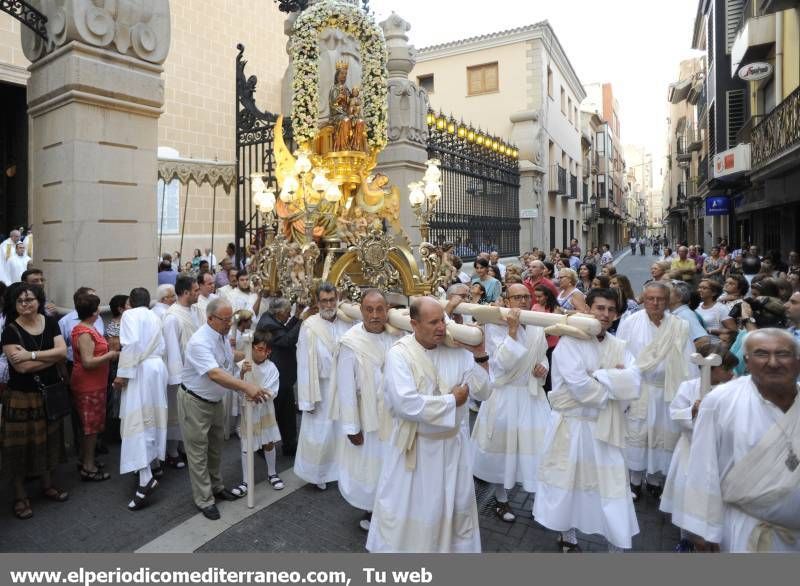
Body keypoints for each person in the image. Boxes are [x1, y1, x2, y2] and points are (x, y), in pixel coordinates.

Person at [366, 297, 491, 553]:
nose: (441, 328)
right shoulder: (399, 354)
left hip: (453, 450)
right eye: (433, 322)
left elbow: (485, 391)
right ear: (414, 324)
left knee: (452, 508)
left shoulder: (457, 351)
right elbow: (406, 404)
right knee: (416, 510)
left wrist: (479, 354)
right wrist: (451, 400)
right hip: (417, 449)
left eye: (442, 321)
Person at [534, 288, 642, 552]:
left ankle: (615, 541)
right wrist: (613, 381)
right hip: (571, 426)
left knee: (611, 486)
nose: (605, 315)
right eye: (600, 308)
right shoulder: (569, 343)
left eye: (611, 310)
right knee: (567, 483)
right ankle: (567, 536)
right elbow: (581, 389)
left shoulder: (619, 346)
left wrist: (600, 376)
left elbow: (634, 383)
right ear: (588, 309)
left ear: (617, 315)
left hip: (606, 427)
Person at [682, 329, 800, 552]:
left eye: (783, 354)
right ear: (747, 361)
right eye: (762, 354)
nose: (773, 363)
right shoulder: (721, 400)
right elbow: (703, 466)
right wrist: (701, 530)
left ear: (797, 361)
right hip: (741, 530)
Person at [178, 297, 268, 520]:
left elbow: (228, 357)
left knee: (216, 447)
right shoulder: (200, 342)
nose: (230, 324)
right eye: (225, 319)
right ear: (210, 318)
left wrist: (249, 355)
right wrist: (247, 386)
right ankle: (204, 499)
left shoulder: (220, 335)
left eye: (231, 319)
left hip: (215, 401)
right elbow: (215, 373)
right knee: (198, 452)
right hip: (195, 402)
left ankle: (216, 487)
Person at [471, 284, 551, 523]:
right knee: (501, 451)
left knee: (539, 451)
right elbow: (500, 363)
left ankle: (542, 502)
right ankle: (501, 498)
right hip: (504, 395)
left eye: (527, 296)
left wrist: (543, 368)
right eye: (517, 297)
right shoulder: (494, 325)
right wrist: (513, 332)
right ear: (507, 301)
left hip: (531, 396)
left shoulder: (536, 323)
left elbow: (543, 354)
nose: (523, 301)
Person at [616, 282, 699, 500]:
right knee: (637, 434)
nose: (655, 303)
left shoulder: (679, 326)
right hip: (639, 389)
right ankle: (634, 480)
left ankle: (655, 480)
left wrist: (690, 394)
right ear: (643, 299)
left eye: (660, 299)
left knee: (662, 436)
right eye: (651, 298)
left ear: (668, 300)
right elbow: (620, 355)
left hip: (667, 391)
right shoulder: (630, 322)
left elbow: (688, 360)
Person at [660, 342, 738, 552]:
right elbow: (676, 413)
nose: (732, 373)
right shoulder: (689, 387)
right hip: (691, 450)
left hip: (720, 453)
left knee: (715, 498)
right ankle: (687, 537)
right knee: (689, 495)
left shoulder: (734, 389)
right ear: (709, 368)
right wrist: (692, 412)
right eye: (727, 368)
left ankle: (715, 537)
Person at [1, 283, 69, 519]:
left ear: (38, 300)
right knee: (20, 448)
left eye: (29, 299)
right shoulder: (10, 331)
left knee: (48, 441)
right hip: (21, 398)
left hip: (48, 394)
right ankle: (20, 496)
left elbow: (62, 351)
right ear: (13, 304)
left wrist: (31, 354)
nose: (25, 304)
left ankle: (47, 484)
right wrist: (51, 356)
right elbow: (21, 368)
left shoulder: (49, 322)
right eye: (20, 301)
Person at [334, 290, 397, 531]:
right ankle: (371, 511)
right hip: (367, 417)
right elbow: (346, 388)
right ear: (361, 311)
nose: (374, 315)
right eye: (369, 310)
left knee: (393, 465)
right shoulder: (350, 342)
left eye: (379, 309)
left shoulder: (396, 334)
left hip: (394, 415)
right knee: (372, 467)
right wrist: (351, 427)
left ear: (387, 309)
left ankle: (392, 509)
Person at [113, 288, 169, 510]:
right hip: (156, 368)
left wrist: (121, 375)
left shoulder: (130, 315)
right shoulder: (155, 315)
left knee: (137, 419)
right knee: (153, 417)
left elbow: (132, 344)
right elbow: (161, 346)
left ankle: (146, 478)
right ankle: (154, 463)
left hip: (140, 370)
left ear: (131, 302)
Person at [294, 283, 351, 489]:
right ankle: (317, 474)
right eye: (324, 301)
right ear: (317, 303)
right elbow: (304, 364)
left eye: (332, 299)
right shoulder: (310, 326)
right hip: (322, 388)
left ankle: (339, 470)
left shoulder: (347, 322)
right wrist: (307, 399)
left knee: (342, 431)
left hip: (343, 385)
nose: (329, 304)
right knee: (320, 432)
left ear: (337, 299)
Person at [71, 293, 118, 481]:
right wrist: (111, 355)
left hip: (94, 383)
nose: (99, 310)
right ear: (93, 312)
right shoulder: (84, 332)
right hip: (88, 385)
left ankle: (86, 460)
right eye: (97, 308)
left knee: (92, 426)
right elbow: (88, 362)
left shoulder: (87, 327)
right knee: (90, 428)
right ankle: (88, 467)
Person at [234, 329, 284, 497]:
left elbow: (272, 389)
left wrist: (256, 395)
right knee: (247, 446)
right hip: (248, 413)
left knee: (268, 442)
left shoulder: (272, 367)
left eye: (268, 350)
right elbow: (236, 385)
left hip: (265, 410)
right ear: (252, 347)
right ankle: (246, 481)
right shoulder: (243, 366)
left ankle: (272, 473)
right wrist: (242, 374)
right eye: (261, 349)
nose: (265, 353)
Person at [256, 297, 303, 456]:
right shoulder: (268, 324)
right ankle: (264, 446)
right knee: (272, 413)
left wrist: (297, 316)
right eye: (288, 312)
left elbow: (284, 331)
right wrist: (301, 320)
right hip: (276, 376)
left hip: (284, 376)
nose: (289, 314)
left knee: (287, 414)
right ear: (279, 312)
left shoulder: (272, 320)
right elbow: (286, 340)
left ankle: (289, 444)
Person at [162, 275, 201, 468]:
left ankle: (185, 448)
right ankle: (172, 451)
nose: (198, 293)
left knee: (188, 414)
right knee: (176, 414)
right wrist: (178, 377)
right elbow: (172, 349)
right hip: (181, 374)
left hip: (195, 370)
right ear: (185, 292)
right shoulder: (172, 316)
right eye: (195, 290)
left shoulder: (194, 310)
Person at [669, 281, 710, 349]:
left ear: (679, 298)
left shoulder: (685, 314)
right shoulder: (676, 313)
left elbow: (704, 340)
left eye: (669, 293)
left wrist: (682, 353)